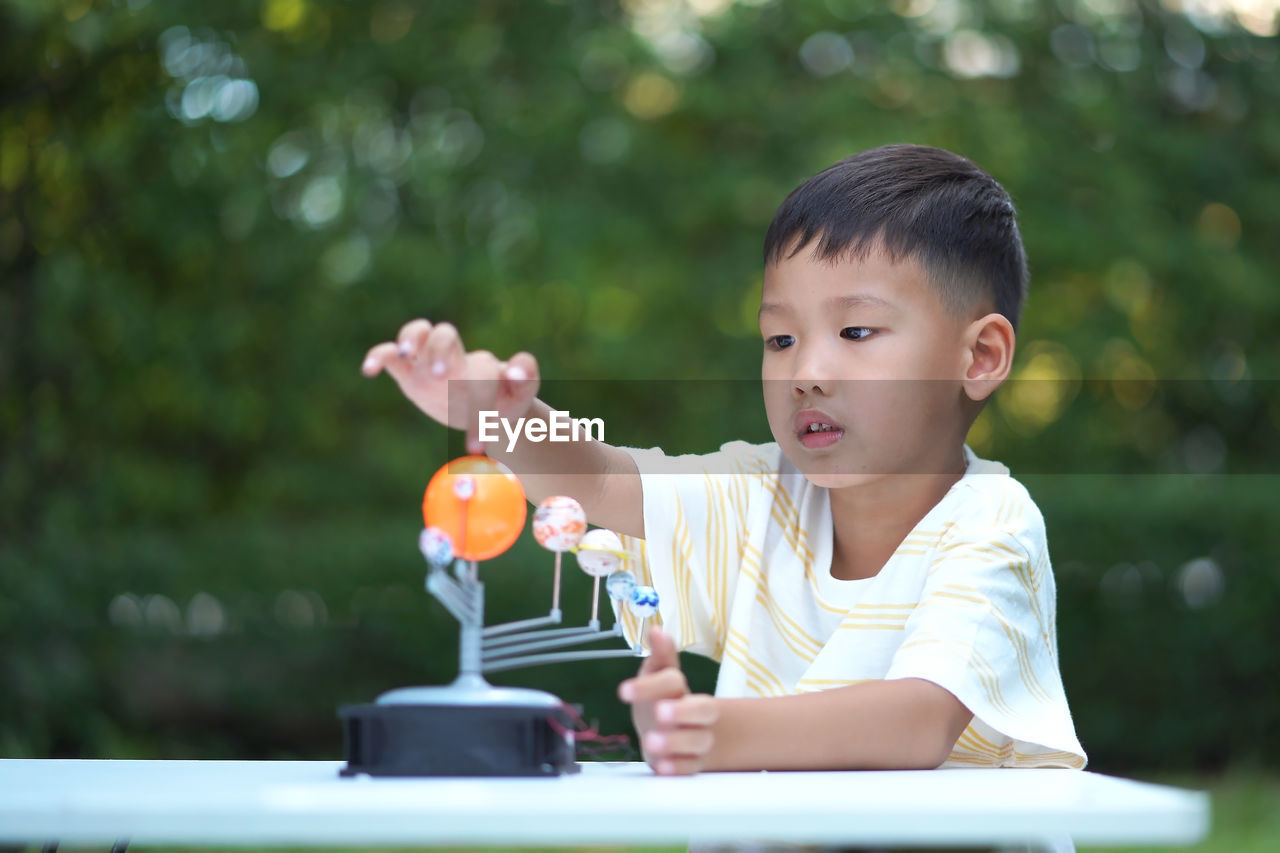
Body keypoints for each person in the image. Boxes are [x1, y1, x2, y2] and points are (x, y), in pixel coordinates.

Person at [360, 144, 1088, 781]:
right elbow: (604, 482)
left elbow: (916, 722)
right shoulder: (758, 494)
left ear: (980, 356)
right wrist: (494, 417)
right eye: (779, 340)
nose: (807, 369)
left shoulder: (992, 520)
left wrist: (707, 730)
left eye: (856, 329)